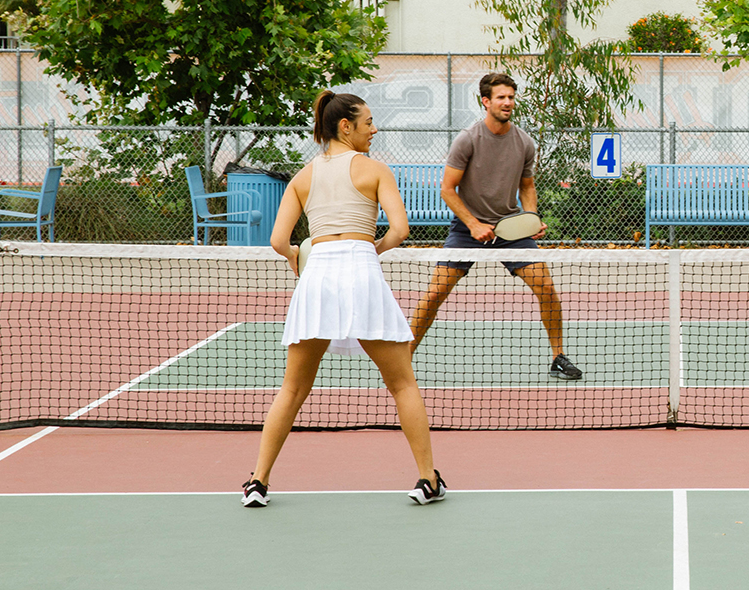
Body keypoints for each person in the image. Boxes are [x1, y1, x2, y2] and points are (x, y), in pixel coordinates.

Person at [244, 91, 444, 508]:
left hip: (316, 277)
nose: (375, 129)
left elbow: (279, 241)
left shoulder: (302, 177)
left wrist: (301, 257)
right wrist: (372, 248)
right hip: (360, 269)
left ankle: (257, 482)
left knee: (292, 388)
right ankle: (428, 479)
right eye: (368, 122)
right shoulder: (374, 170)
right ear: (345, 126)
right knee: (402, 382)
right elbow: (400, 230)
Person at [407, 72, 580, 380]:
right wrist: (472, 224)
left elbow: (527, 186)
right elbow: (448, 189)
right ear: (486, 101)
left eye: (511, 97)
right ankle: (402, 360)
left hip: (510, 229)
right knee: (434, 294)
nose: (508, 102)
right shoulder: (468, 139)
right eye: (501, 97)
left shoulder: (524, 142)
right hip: (466, 230)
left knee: (547, 288)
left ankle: (558, 357)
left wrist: (531, 219)